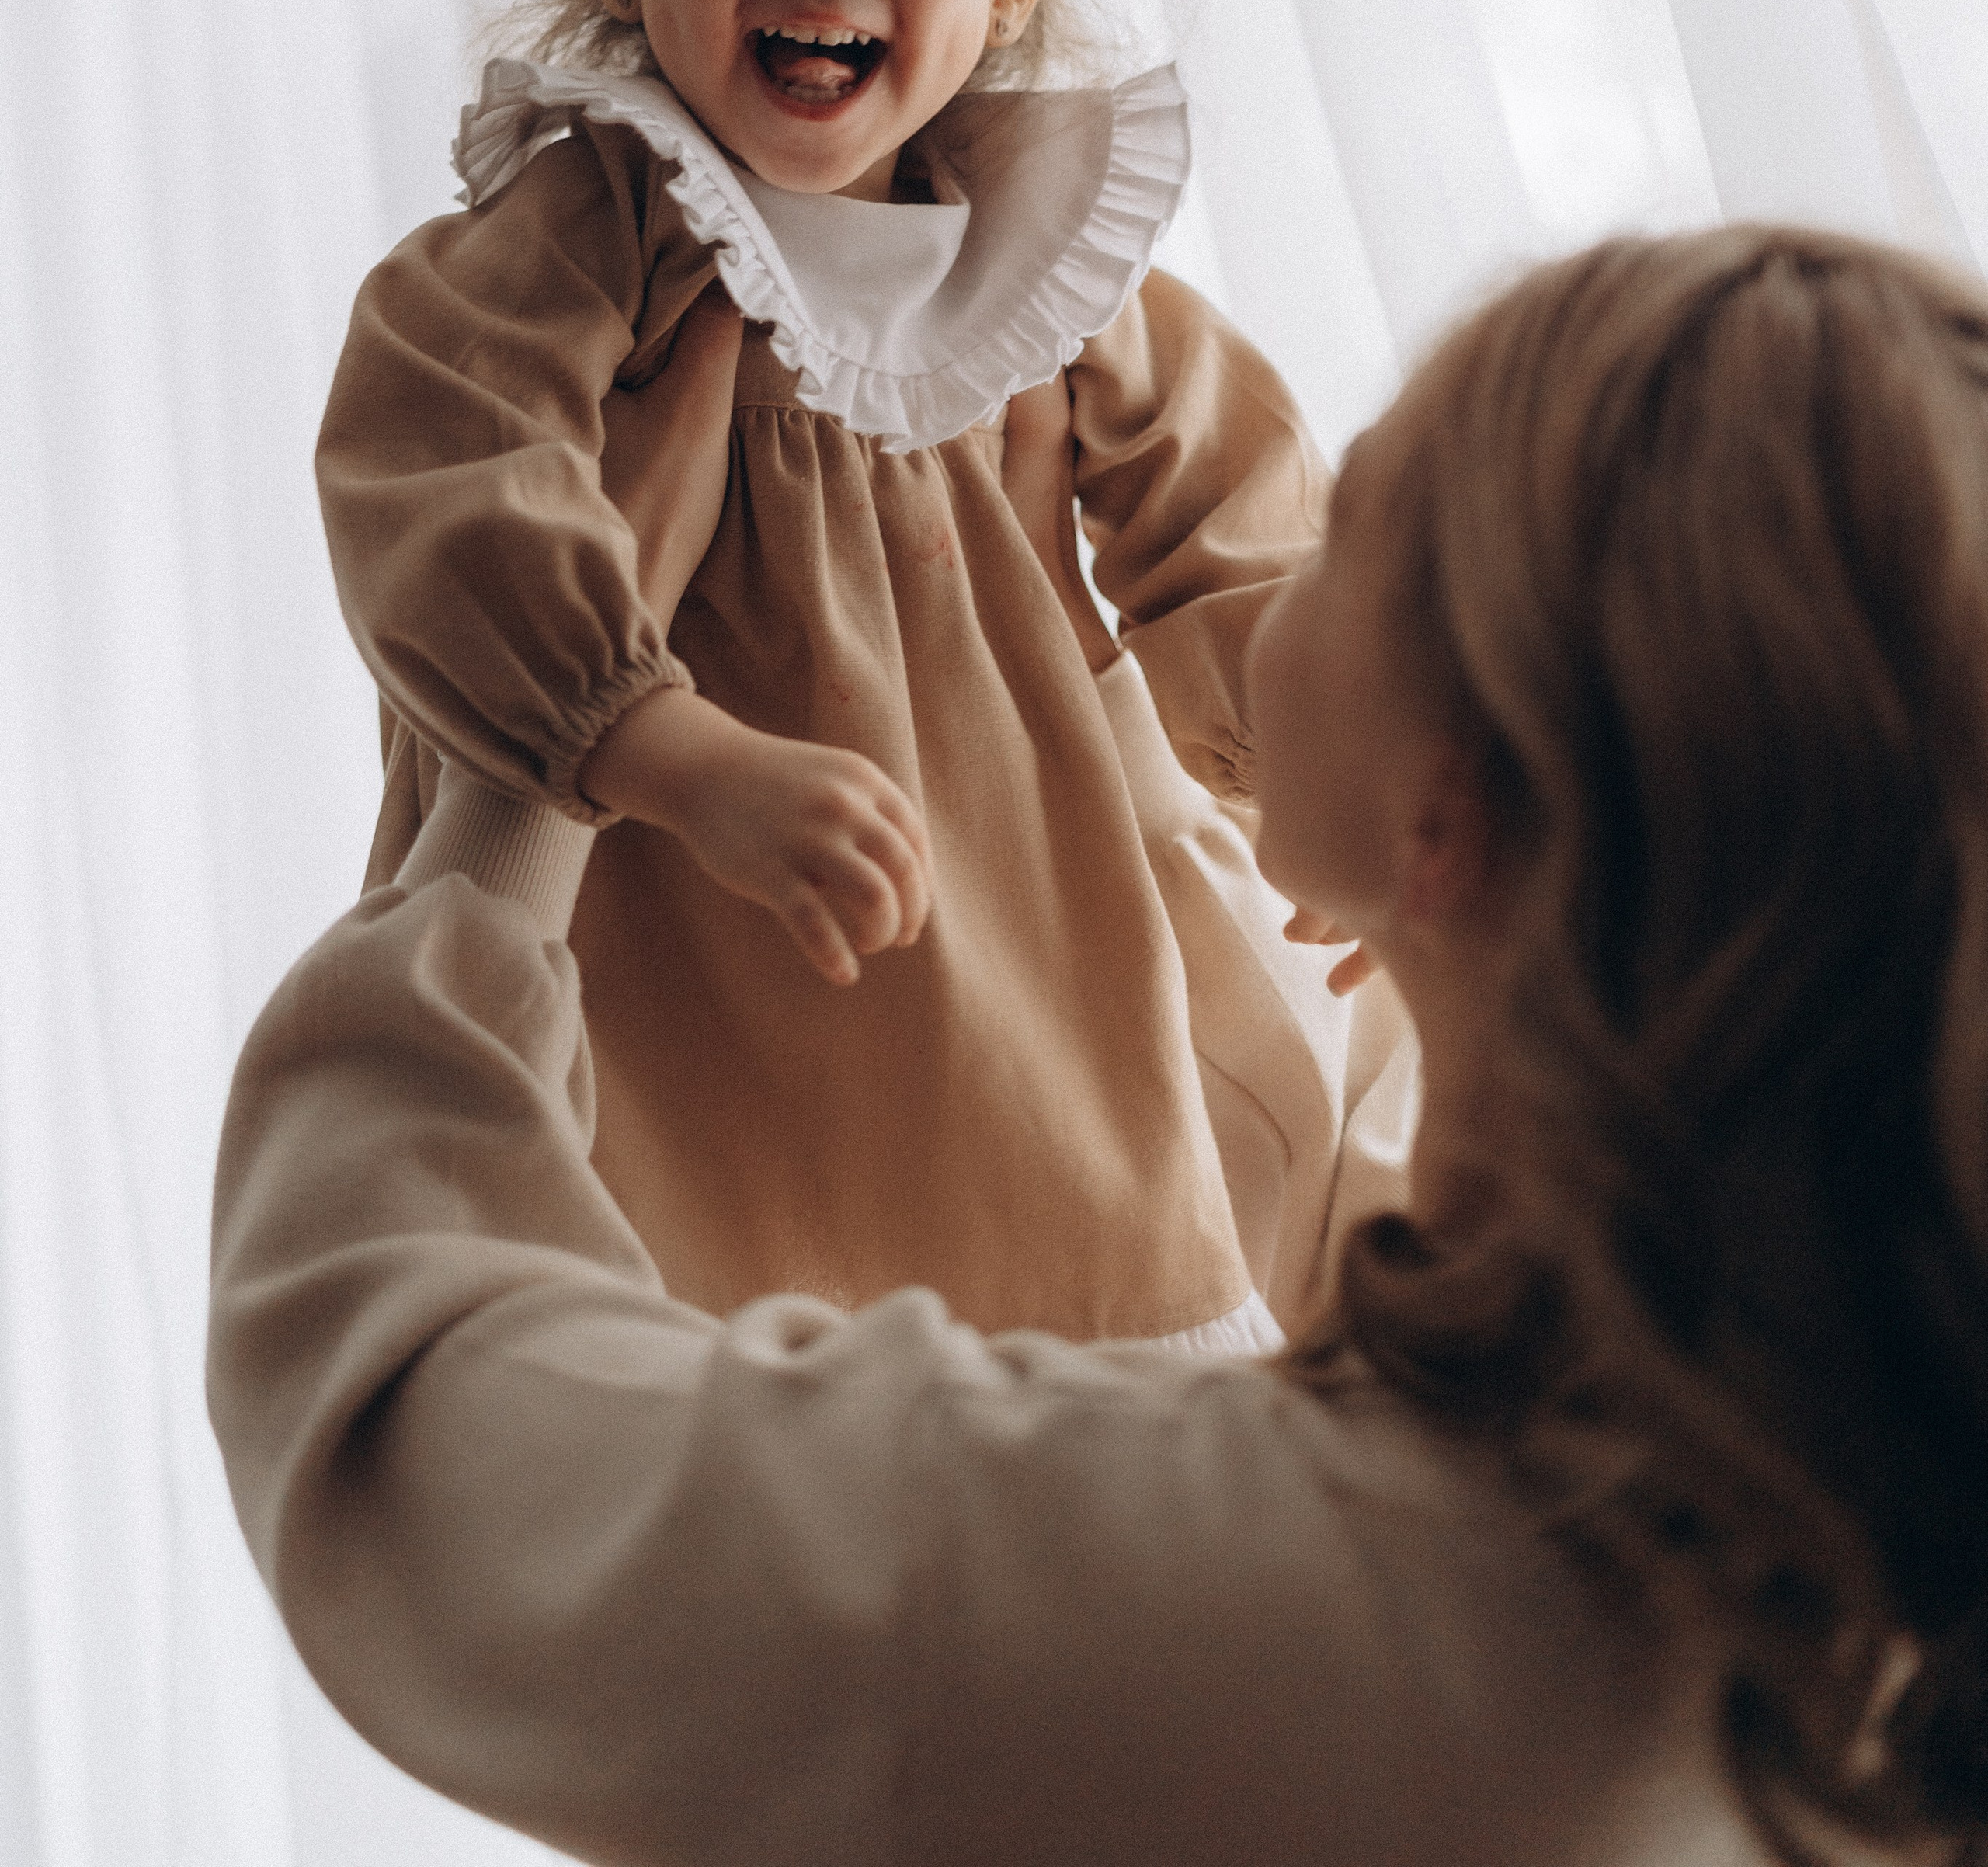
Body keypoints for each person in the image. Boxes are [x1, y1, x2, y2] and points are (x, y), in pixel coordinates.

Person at [210, 224, 1988, 1867]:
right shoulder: (1825, 1565)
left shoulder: (1225, 1592)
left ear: (1452, 808)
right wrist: (1069, 706)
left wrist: (519, 794)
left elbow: (414, 1438)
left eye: (1351, 519)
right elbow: (1286, 1146)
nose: (1271, 549)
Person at [315, 0, 1382, 1357]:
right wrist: (664, 749)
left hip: (1023, 971)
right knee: (701, 1404)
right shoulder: (594, 235)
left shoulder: (1048, 274)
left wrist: (1346, 788)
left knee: (1071, 1399)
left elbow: (1245, 541)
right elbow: (440, 481)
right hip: (671, 948)